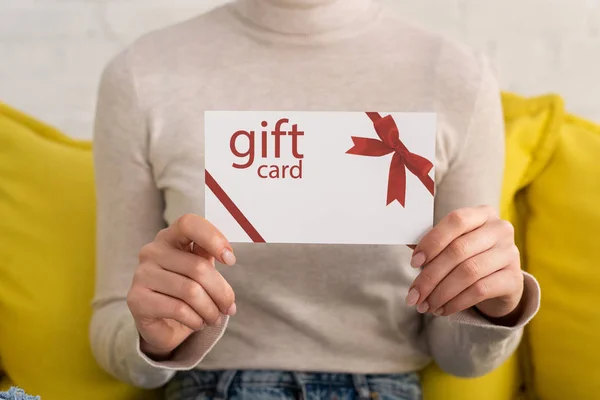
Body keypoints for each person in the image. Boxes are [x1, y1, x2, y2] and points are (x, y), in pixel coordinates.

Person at [90, 0, 541, 399]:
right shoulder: (141, 73)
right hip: (208, 385)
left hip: (386, 386)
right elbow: (112, 323)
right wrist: (153, 336)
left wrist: (495, 304)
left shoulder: (459, 76)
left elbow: (460, 359)